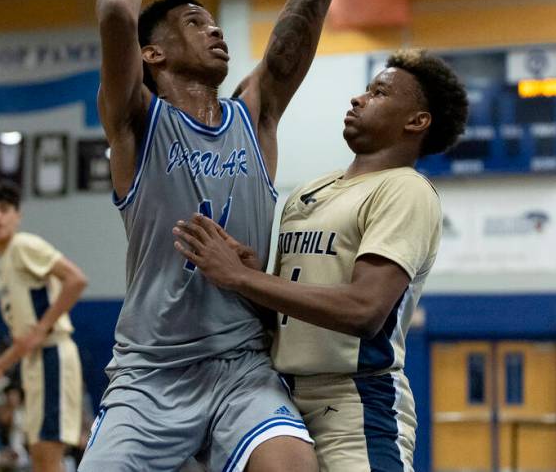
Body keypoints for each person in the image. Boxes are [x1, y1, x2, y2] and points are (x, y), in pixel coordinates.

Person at [79, 0, 333, 472]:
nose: (215, 29)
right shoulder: (135, 120)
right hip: (150, 373)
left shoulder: (256, 112)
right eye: (194, 22)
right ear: (153, 53)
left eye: (215, 21)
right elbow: (117, 10)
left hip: (240, 365)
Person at [173, 50, 469, 471]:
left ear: (417, 121)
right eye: (367, 89)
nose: (358, 99)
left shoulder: (406, 190)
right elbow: (285, 310)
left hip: (354, 401)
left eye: (379, 93)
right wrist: (254, 275)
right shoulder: (309, 192)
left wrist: (241, 277)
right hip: (279, 396)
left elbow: (364, 310)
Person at [0, 181, 88, 472]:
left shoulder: (24, 246)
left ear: (17, 215)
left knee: (48, 458)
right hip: (35, 361)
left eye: (4, 209)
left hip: (54, 356)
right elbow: (26, 340)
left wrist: (42, 327)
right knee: (41, 459)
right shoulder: (5, 262)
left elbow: (76, 280)